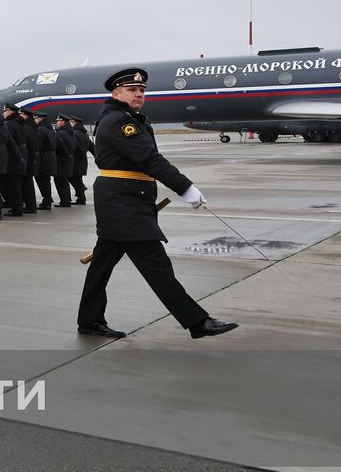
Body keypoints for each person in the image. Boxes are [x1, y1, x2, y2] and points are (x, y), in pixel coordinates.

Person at [76, 68, 237, 339]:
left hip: (126, 198)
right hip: (123, 203)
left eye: (141, 90)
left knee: (101, 265)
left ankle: (89, 320)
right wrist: (185, 187)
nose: (139, 94)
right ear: (116, 94)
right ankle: (197, 322)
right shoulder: (119, 121)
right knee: (156, 265)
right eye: (131, 90)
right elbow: (149, 159)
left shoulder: (128, 117)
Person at [53, 114, 77, 207]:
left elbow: (59, 146)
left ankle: (64, 201)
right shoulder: (71, 132)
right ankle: (66, 200)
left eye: (59, 121)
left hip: (62, 159)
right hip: (69, 158)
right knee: (64, 181)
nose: (57, 123)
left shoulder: (61, 133)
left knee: (60, 181)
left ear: (63, 122)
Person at [71, 116, 94, 204]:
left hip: (75, 160)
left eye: (72, 122)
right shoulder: (85, 134)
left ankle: (81, 197)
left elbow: (76, 146)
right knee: (77, 179)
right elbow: (92, 147)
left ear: (75, 123)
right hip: (83, 160)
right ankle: (81, 195)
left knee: (73, 179)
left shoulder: (74, 133)